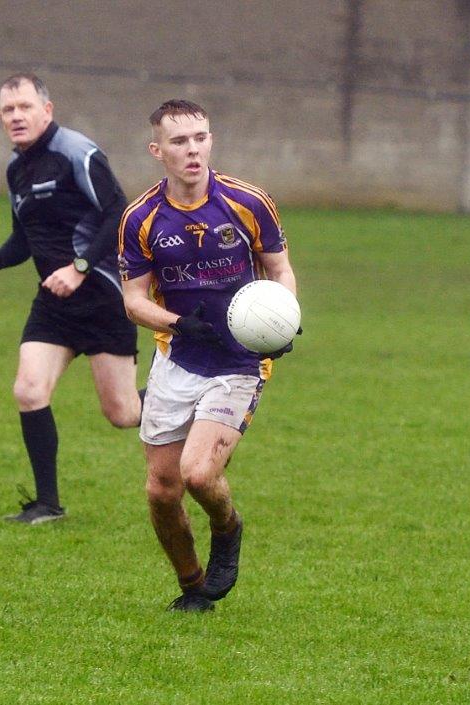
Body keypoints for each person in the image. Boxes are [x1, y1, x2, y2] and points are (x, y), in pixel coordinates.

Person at [120, 99, 298, 612]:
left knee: (198, 474)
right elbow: (133, 301)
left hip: (240, 362)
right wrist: (180, 324)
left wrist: (284, 316)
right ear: (159, 151)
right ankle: (194, 587)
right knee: (161, 491)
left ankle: (227, 526)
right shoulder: (141, 217)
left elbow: (279, 268)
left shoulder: (248, 201)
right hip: (177, 358)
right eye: (179, 141)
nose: (192, 149)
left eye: (200, 138)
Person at [0, 73, 140, 524]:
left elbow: (120, 212)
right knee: (29, 389)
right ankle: (47, 504)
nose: (16, 116)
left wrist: (80, 269)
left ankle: (192, 405)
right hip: (53, 302)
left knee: (122, 414)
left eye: (24, 106)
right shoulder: (15, 169)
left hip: (100, 294)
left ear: (47, 109)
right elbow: (25, 239)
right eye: (7, 109)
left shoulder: (77, 152)